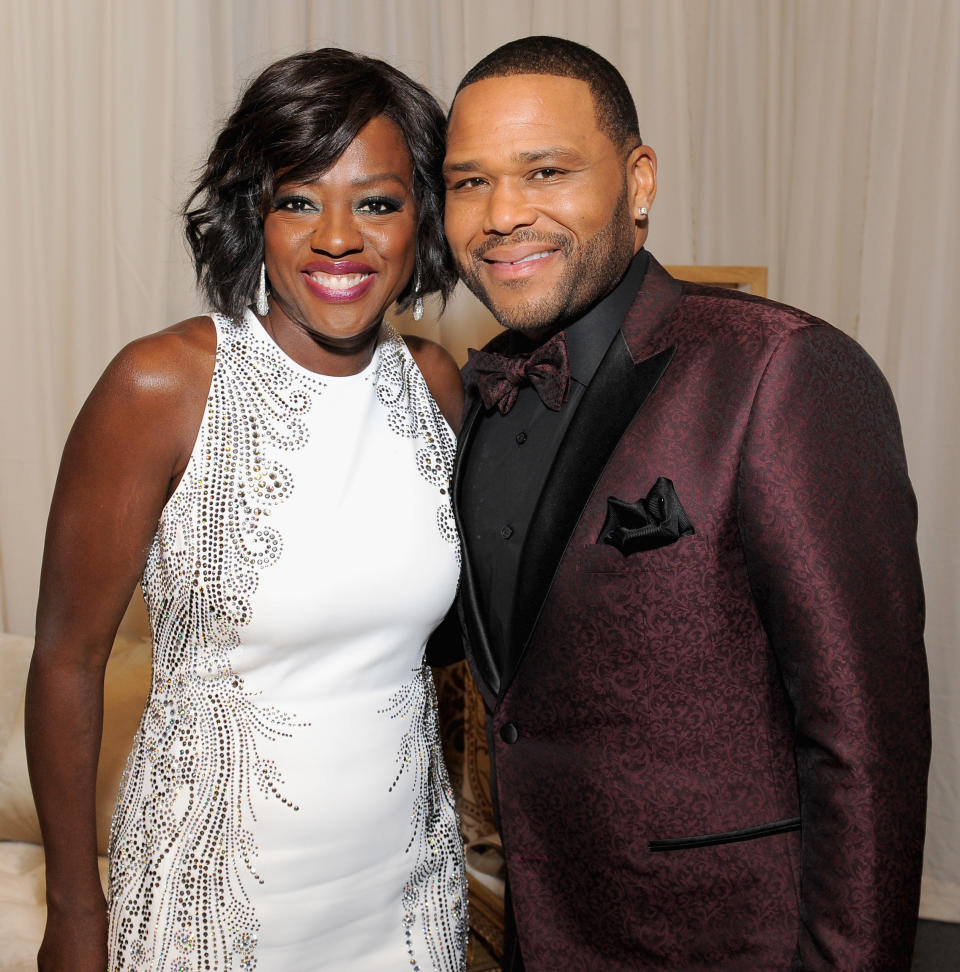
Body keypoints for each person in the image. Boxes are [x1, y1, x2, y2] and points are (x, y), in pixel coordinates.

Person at [441, 35, 929, 970]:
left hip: (729, 943)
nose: (504, 215)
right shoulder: (475, 402)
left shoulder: (779, 369)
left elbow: (866, 745)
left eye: (545, 170)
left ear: (639, 181)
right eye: (470, 183)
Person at [26, 48, 468, 971]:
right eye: (298, 199)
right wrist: (74, 910)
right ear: (252, 217)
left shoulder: (437, 387)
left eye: (377, 202)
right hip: (207, 907)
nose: (338, 237)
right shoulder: (160, 386)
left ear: (422, 216)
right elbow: (68, 660)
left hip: (407, 901)